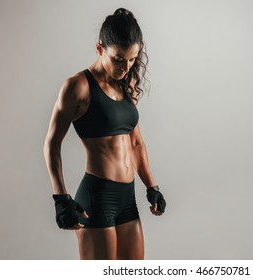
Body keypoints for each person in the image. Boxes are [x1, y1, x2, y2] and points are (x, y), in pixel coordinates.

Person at [43, 8, 166, 260]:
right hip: (97, 197)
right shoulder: (77, 86)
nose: (126, 66)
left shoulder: (127, 85)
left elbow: (136, 142)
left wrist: (151, 186)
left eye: (132, 59)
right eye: (118, 59)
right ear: (100, 49)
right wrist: (60, 198)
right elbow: (52, 143)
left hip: (127, 199)